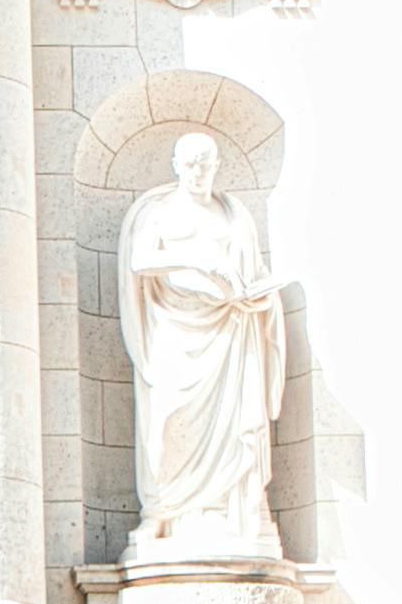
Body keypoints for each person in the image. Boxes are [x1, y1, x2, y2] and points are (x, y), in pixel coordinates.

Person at [118, 130, 283, 555]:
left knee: (234, 423)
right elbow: (140, 261)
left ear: (216, 167)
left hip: (230, 330)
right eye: (190, 164)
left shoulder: (233, 214)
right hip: (175, 329)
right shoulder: (160, 211)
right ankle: (161, 511)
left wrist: (261, 293)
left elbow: (256, 269)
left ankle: (238, 509)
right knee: (168, 418)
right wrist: (199, 260)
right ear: (176, 165)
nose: (197, 173)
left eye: (205, 165)